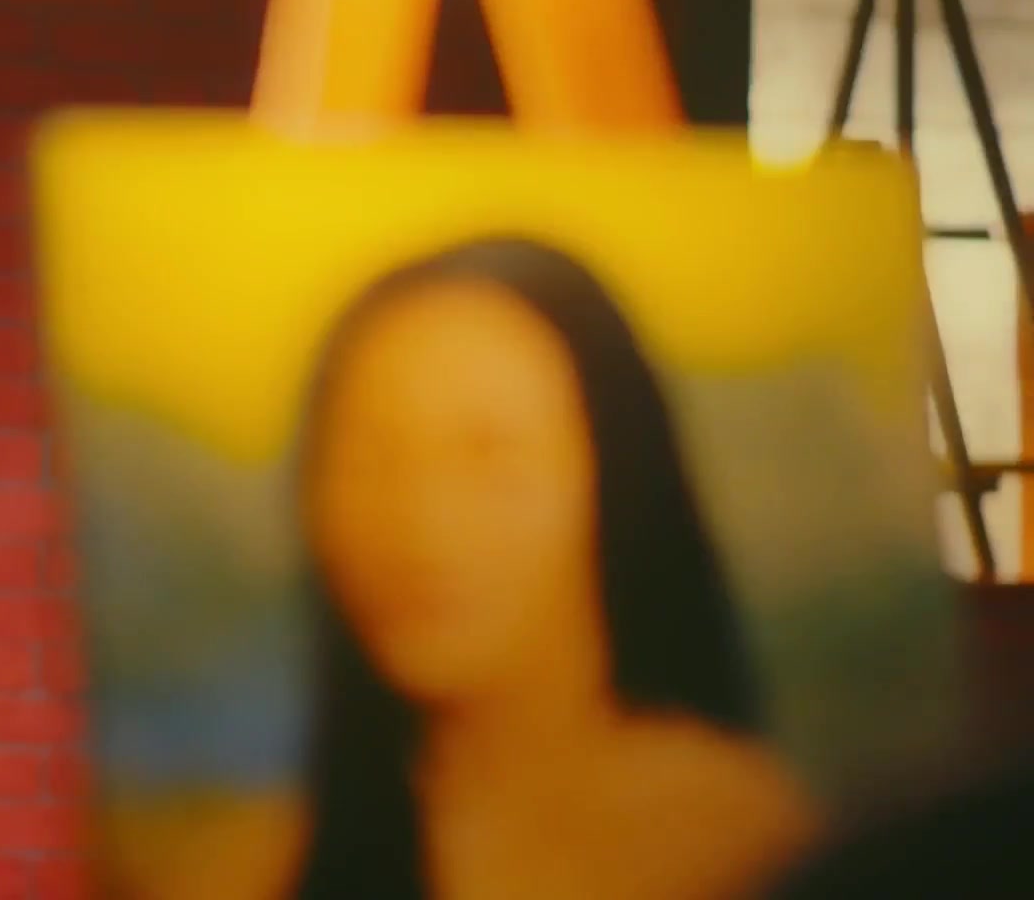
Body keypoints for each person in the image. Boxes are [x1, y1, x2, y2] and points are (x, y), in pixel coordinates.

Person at [291, 238, 816, 900]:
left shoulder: (734, 840)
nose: (422, 525)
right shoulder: (259, 860)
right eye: (371, 461)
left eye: (491, 459)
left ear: (613, 481)